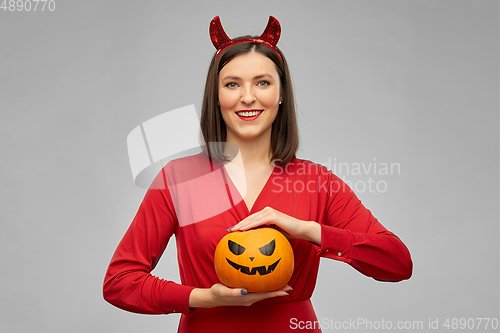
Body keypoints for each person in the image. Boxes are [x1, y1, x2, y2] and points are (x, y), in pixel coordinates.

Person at [103, 16, 412, 332]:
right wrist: (203, 297)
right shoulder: (179, 179)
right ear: (217, 96)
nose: (247, 97)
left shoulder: (319, 182)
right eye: (232, 84)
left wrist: (308, 230)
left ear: (281, 93)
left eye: (262, 82)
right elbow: (119, 282)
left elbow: (398, 263)